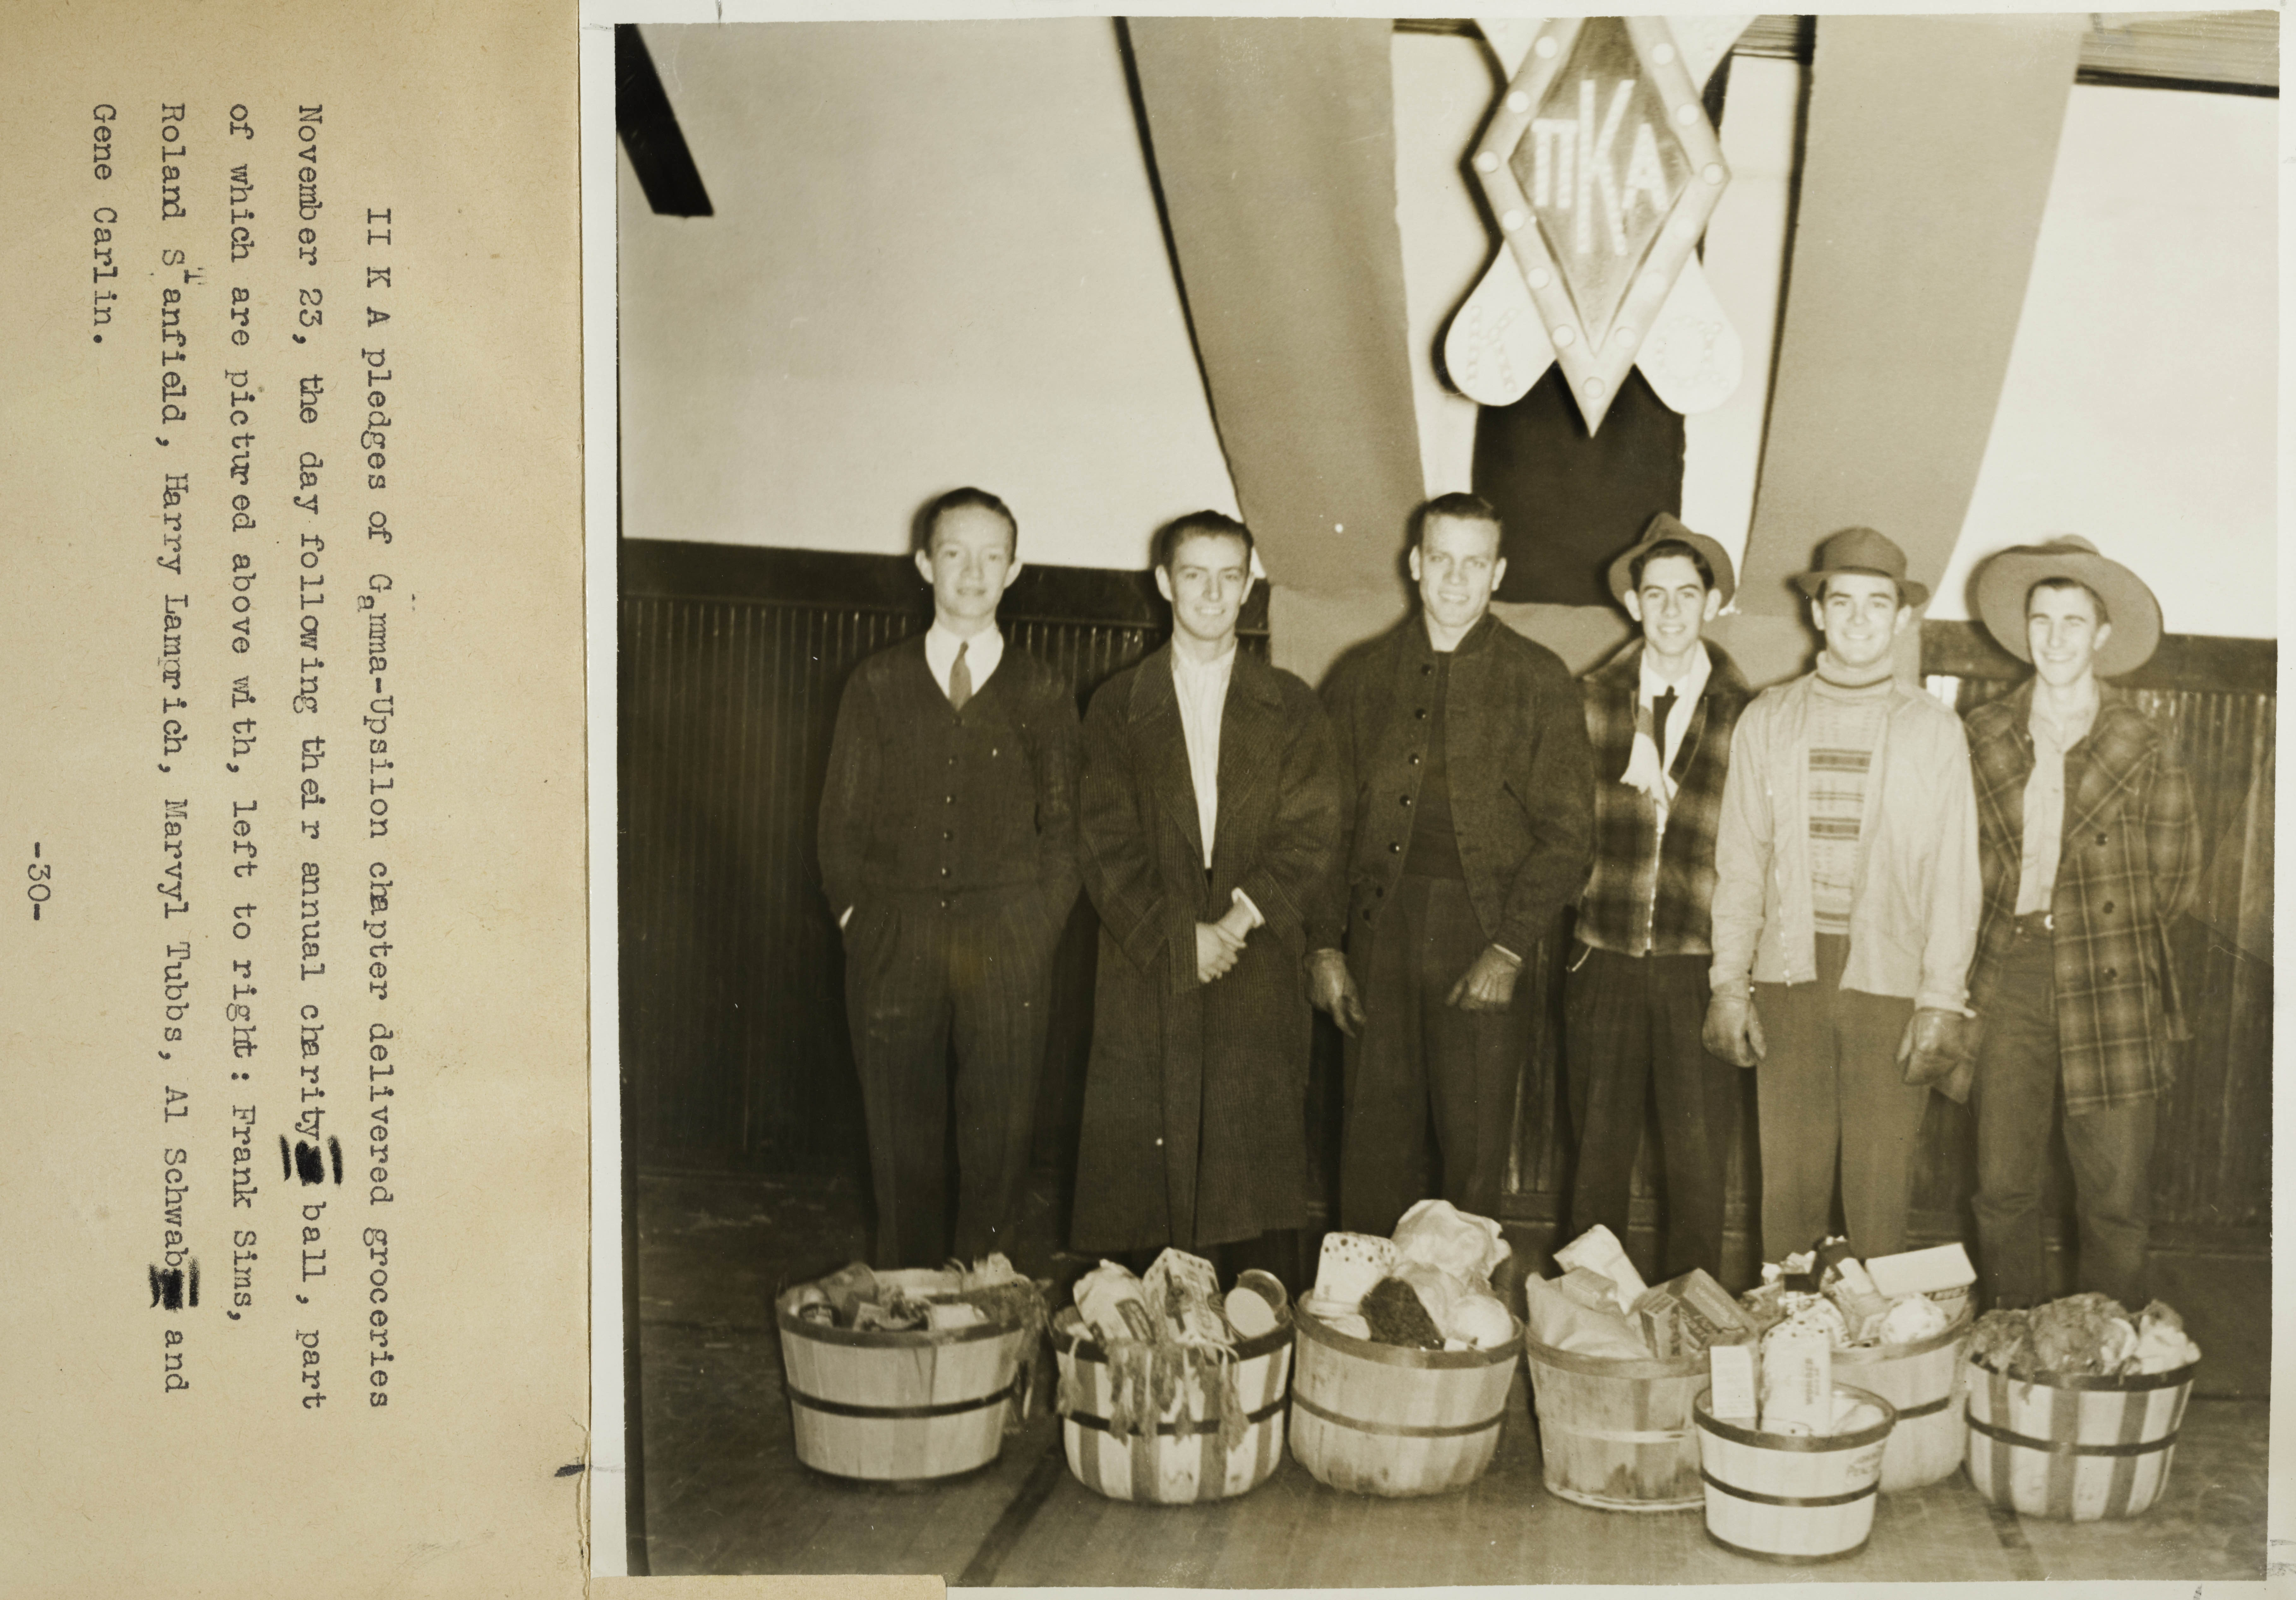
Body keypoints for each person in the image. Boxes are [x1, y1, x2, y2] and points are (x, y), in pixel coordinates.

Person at [1309, 493, 1593, 1236]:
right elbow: (1322, 828)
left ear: (1497, 571)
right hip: (1379, 937)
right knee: (1371, 1154)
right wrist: (1326, 946)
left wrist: (1507, 947)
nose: (1457, 579)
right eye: (1442, 560)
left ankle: (1467, 1336)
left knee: (1474, 1162)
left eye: (1475, 563)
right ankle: (1363, 1339)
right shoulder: (1361, 675)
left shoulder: (1540, 678)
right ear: (1416, 565)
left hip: (1486, 936)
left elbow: (1569, 838)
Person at [1070, 511, 1340, 1289]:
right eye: (1196, 574)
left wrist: (1233, 922)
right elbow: (1103, 839)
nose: (1213, 592)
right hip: (1146, 961)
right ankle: (1146, 1360)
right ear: (1165, 584)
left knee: (1247, 1177)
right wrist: (1176, 933)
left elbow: (1312, 830)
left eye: (1231, 575)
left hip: (1254, 961)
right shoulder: (1117, 704)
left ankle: (1248, 1366)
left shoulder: (1291, 705)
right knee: (1143, 1173)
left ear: (1250, 586)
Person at [818, 487, 1081, 1269]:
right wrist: (857, 922)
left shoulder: (1042, 690)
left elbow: (1067, 832)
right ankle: (906, 1304)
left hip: (1007, 940)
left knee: (998, 1137)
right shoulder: (876, 684)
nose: (973, 571)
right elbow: (839, 824)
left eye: (991, 555)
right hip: (894, 937)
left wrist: (1035, 931)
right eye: (956, 553)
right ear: (925, 563)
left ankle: (981, 1309)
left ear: (1015, 569)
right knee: (900, 1138)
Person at [1704, 527, 1980, 1260]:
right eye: (1843, 601)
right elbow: (1740, 863)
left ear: (1901, 619)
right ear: (1819, 613)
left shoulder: (1935, 731)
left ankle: (1879, 1371)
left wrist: (1942, 999)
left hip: (1889, 982)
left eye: (1878, 603)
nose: (1859, 618)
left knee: (1879, 1200)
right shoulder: (1767, 718)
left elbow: (1956, 877)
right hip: (1787, 975)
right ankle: (1786, 1353)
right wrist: (1729, 985)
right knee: (1788, 1198)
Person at [1963, 537, 2198, 1310]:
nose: (2056, 636)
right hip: (2012, 973)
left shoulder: (2146, 742)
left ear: (2102, 635)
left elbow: (2173, 879)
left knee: (2117, 1198)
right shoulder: (1983, 734)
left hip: (2116, 977)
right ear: (2024, 630)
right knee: (2002, 1189)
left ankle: (2108, 1375)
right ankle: (2014, 1357)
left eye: (2074, 620)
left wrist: (2100, 933)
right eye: (2042, 618)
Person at [1565, 514, 1754, 1283]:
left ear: (1712, 603)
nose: (1671, 610)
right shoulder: (1588, 701)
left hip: (1697, 964)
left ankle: (1694, 1329)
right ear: (1634, 604)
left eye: (1687, 594)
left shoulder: (1750, 711)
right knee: (1595, 1163)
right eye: (1655, 595)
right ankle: (1585, 1324)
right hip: (1600, 956)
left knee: (1698, 1168)